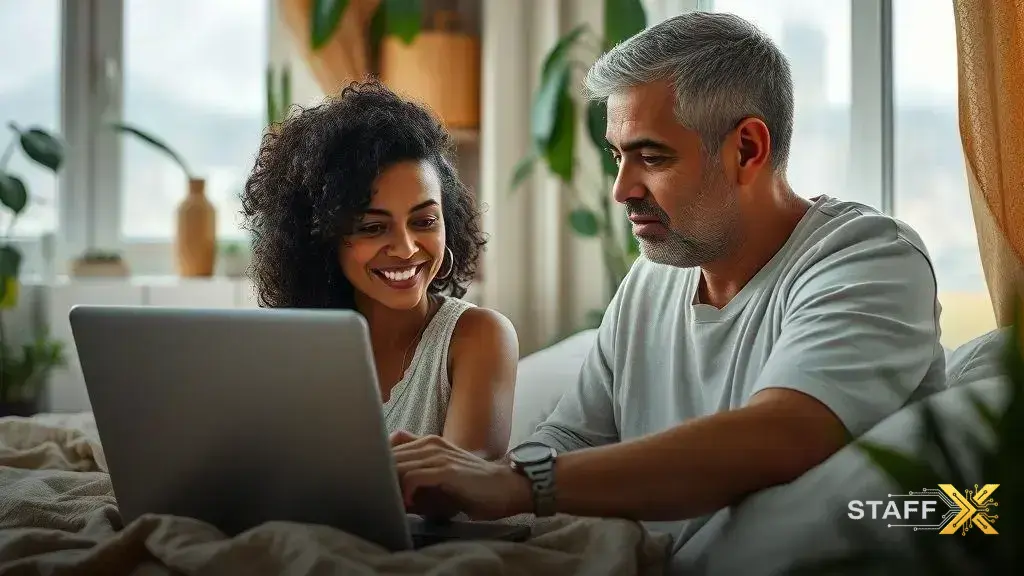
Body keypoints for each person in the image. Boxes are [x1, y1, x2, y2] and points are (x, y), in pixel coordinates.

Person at [389, 10, 947, 551]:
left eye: (650, 157)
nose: (621, 190)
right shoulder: (653, 278)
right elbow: (571, 440)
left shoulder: (866, 258)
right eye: (617, 157)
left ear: (747, 149)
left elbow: (784, 435)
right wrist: (461, 489)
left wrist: (519, 483)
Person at [241, 79, 519, 460]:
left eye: (424, 222)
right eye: (373, 227)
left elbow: (463, 486)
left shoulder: (478, 337)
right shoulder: (299, 347)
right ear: (321, 239)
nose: (406, 249)